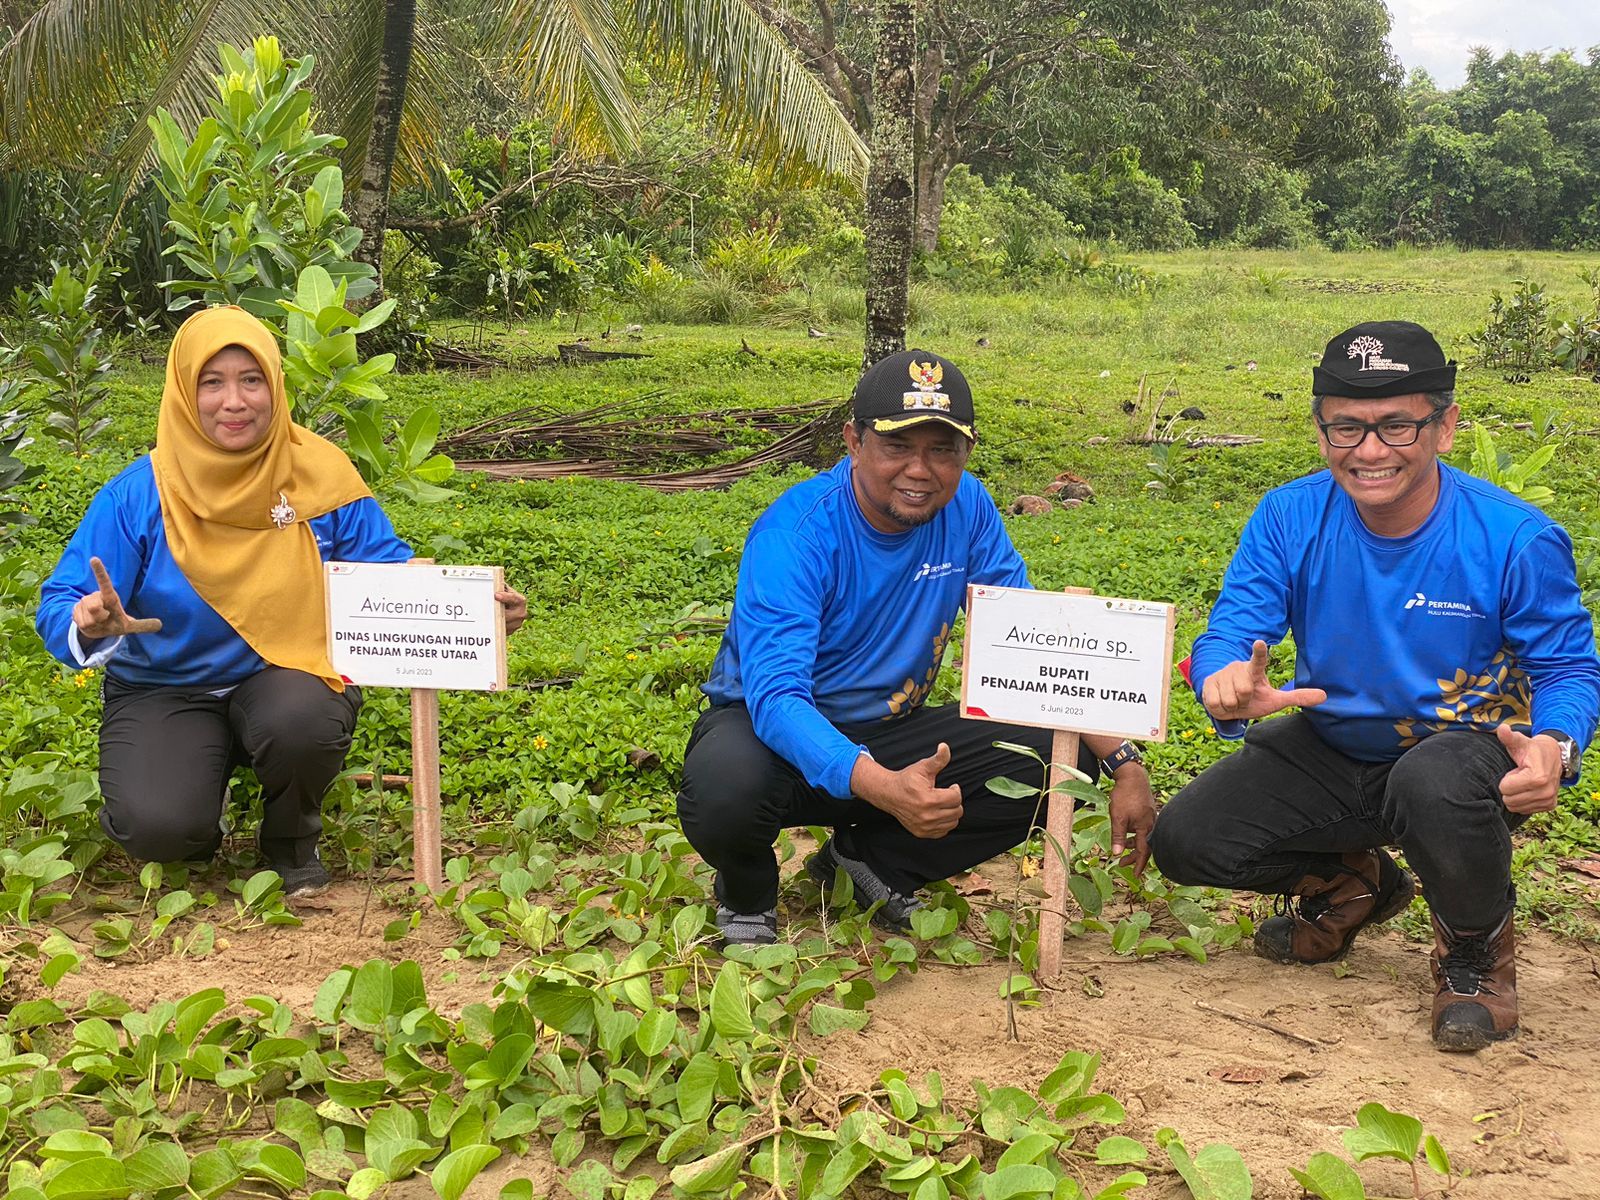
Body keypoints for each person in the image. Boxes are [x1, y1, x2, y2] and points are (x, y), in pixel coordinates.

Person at [1149, 320, 1600, 1052]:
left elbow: (1568, 667)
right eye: (1346, 428)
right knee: (1189, 842)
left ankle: (1476, 963)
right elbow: (1231, 629)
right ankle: (1356, 885)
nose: (1369, 451)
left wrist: (1555, 743)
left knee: (1432, 779)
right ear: (1320, 429)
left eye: (1396, 425)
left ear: (1444, 426)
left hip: (1465, 753)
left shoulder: (1513, 537)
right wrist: (1221, 678)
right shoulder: (1289, 516)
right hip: (1333, 741)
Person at [36, 306, 527, 896]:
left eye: (252, 380)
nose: (234, 402)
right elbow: (61, 599)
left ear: (275, 385)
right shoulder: (139, 495)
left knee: (303, 720)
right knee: (161, 830)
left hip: (283, 672)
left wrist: (479, 612)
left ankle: (291, 841)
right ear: (184, 395)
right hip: (162, 686)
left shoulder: (318, 474)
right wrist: (88, 622)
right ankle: (197, 803)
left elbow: (387, 569)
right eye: (211, 383)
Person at [676, 349, 1155, 946]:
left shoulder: (968, 508)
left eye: (942, 450)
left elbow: (1032, 649)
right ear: (854, 442)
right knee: (724, 789)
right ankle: (746, 894)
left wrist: (1124, 762)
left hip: (889, 731)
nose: (920, 470)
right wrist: (883, 787)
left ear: (967, 453)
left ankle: (868, 864)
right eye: (898, 446)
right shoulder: (795, 535)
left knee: (1062, 756)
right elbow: (775, 699)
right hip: (774, 738)